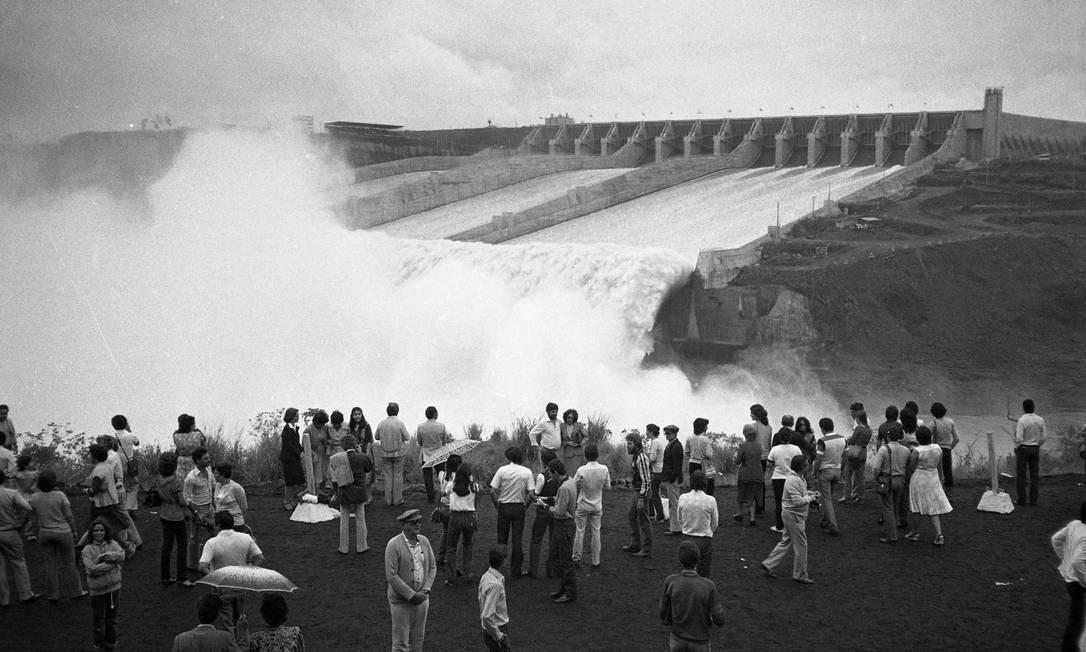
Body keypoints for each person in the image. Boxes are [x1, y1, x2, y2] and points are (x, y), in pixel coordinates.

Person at [199, 511, 264, 642]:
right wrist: (249, 570)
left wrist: (214, 579)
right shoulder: (245, 538)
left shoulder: (212, 543)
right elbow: (259, 557)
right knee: (241, 620)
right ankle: (243, 646)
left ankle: (230, 647)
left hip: (222, 588)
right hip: (240, 585)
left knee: (226, 624)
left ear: (218, 525)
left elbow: (202, 566)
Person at [29, 469, 86, 602]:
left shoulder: (35, 497)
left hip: (45, 532)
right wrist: (74, 530)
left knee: (50, 564)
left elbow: (32, 513)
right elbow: (69, 516)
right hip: (63, 532)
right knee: (70, 562)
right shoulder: (60, 496)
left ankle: (53, 595)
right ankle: (77, 591)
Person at [385, 509, 437, 652]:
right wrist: (412, 595)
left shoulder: (424, 541)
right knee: (400, 644)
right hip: (401, 603)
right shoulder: (393, 545)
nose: (418, 524)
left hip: (422, 601)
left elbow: (433, 567)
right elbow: (392, 576)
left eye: (419, 521)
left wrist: (425, 590)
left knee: (418, 641)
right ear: (403, 525)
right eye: (413, 522)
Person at [761, 455, 817, 584]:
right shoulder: (794, 480)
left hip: (790, 515)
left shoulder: (797, 478)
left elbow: (799, 495)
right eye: (807, 463)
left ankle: (769, 564)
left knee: (786, 541)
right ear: (802, 467)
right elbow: (797, 501)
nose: (809, 465)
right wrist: (810, 498)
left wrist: (809, 494)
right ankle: (800, 574)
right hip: (795, 516)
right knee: (801, 546)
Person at [659, 540, 725, 651]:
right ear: (698, 559)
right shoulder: (709, 586)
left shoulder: (670, 581)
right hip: (700, 642)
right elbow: (719, 619)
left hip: (677, 638)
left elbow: (663, 612)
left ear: (680, 560)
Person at [489, 446, 534, 578]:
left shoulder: (502, 470)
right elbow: (531, 494)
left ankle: (499, 568)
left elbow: (492, 491)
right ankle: (516, 570)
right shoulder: (527, 472)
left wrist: (497, 506)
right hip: (519, 507)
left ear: (509, 457)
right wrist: (525, 506)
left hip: (504, 507)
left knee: (502, 539)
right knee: (517, 539)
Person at [83, 443, 135, 554]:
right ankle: (126, 547)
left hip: (103, 504)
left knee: (101, 527)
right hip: (111, 501)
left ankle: (126, 548)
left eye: (90, 455)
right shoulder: (108, 466)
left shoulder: (98, 470)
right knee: (109, 527)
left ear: (94, 456)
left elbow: (95, 490)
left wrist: (86, 490)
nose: (89, 457)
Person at [83, 518, 125, 651]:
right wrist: (112, 564)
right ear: (92, 532)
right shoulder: (87, 550)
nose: (99, 533)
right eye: (96, 530)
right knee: (98, 620)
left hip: (113, 589)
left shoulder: (113, 544)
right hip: (97, 591)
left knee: (112, 619)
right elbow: (91, 570)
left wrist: (102, 557)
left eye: (101, 530)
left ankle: (111, 643)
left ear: (106, 531)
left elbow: (122, 556)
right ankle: (99, 644)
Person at [905, 426, 951, 546]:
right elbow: (940, 466)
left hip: (919, 478)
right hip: (933, 477)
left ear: (918, 438)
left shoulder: (917, 451)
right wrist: (941, 478)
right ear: (930, 436)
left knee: (916, 506)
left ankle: (914, 532)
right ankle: (939, 534)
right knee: (933, 507)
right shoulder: (937, 448)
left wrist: (907, 480)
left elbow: (911, 467)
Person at [330, 434, 373, 555]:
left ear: (343, 446)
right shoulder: (363, 457)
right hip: (360, 491)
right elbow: (368, 469)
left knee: (344, 519)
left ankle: (343, 547)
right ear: (356, 444)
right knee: (360, 517)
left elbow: (334, 477)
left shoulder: (336, 458)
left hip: (344, 491)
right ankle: (362, 546)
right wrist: (360, 452)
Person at [1052, 502, 1086, 652]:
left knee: (1075, 617)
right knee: (1077, 620)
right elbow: (1077, 561)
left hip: (1071, 579)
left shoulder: (1074, 525)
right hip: (1079, 582)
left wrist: (1064, 559)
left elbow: (1056, 539)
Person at [543, 459, 577, 603]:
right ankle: (564, 588)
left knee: (565, 560)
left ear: (556, 472)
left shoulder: (563, 488)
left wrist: (545, 506)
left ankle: (570, 593)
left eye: (551, 473)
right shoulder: (570, 481)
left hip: (564, 525)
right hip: (566, 525)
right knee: (558, 557)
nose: (550, 477)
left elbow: (559, 512)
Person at [0, 478, 38, 605]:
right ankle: (26, 594)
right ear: (3, 479)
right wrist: (21, 521)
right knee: (19, 562)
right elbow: (28, 507)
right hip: (9, 531)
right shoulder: (11, 493)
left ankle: (3, 599)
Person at [572, 442, 610, 570]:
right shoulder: (604, 469)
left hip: (583, 504)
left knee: (579, 532)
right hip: (597, 505)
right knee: (596, 533)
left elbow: (573, 485)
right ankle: (596, 561)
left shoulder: (581, 470)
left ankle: (576, 558)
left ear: (586, 455)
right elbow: (608, 486)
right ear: (597, 455)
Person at [872, 427, 911, 544]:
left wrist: (876, 478)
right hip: (901, 480)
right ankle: (887, 529)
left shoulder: (884, 449)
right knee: (895, 506)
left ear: (888, 437)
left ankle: (892, 536)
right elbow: (908, 467)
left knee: (887, 508)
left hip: (887, 480)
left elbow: (876, 468)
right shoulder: (906, 450)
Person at [154, 452, 189, 585]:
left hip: (164, 513)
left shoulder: (159, 479)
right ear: (174, 465)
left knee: (167, 545)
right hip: (177, 516)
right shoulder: (176, 481)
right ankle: (182, 577)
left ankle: (165, 576)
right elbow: (182, 501)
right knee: (182, 546)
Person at [183, 447, 216, 580]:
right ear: (197, 461)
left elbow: (213, 485)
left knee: (213, 533)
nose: (209, 460)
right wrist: (196, 513)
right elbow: (186, 498)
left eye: (208, 457)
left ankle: (210, 561)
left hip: (209, 507)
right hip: (198, 509)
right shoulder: (191, 478)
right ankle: (192, 565)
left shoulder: (209, 470)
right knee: (194, 537)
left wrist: (214, 504)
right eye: (205, 458)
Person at [677, 471, 718, 578]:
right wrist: (707, 532)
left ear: (691, 482)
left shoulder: (682, 498)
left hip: (687, 538)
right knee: (704, 574)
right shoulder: (711, 500)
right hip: (704, 540)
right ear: (705, 483)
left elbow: (679, 519)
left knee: (686, 572)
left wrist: (686, 529)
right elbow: (715, 523)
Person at [444, 462, 478, 586]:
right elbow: (476, 496)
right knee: (468, 545)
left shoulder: (451, 485)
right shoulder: (474, 486)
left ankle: (451, 578)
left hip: (455, 517)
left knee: (451, 547)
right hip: (469, 517)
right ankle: (468, 574)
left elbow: (445, 492)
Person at [172, 592, 241, 651]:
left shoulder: (180, 640)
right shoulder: (225, 638)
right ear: (218, 615)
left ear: (197, 612)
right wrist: (242, 632)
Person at [528, 449, 559, 579]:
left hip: (543, 510)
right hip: (555, 510)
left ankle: (533, 571)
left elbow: (536, 493)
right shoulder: (559, 476)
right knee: (553, 540)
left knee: (536, 540)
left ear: (544, 461)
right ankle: (552, 570)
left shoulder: (542, 476)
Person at [622, 433, 653, 558]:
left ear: (636, 444)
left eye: (630, 443)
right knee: (632, 516)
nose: (627, 446)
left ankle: (646, 549)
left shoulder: (642, 458)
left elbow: (647, 480)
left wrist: (642, 498)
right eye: (627, 443)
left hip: (642, 492)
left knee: (644, 520)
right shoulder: (636, 457)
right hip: (638, 490)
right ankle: (635, 544)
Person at [375, 403, 411, 507]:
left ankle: (388, 500)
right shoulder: (399, 423)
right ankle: (397, 500)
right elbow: (407, 437)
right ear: (397, 411)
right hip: (398, 452)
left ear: (387, 411)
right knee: (398, 476)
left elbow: (376, 437)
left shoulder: (381, 423)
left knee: (387, 476)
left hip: (385, 453)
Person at [814, 417, 845, 536]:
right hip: (837, 471)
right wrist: (842, 469)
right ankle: (824, 520)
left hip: (825, 472)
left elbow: (818, 459)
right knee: (829, 497)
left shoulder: (822, 441)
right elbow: (846, 455)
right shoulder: (842, 438)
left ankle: (833, 525)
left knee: (826, 499)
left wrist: (814, 471)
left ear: (822, 428)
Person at [416, 406, 452, 505]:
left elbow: (419, 441)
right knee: (442, 476)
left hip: (426, 454)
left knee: (428, 477)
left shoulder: (421, 426)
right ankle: (443, 495)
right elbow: (444, 441)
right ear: (435, 414)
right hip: (439, 453)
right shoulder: (441, 426)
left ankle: (430, 499)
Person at [766, 435, 801, 534]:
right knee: (794, 501)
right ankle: (794, 524)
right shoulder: (796, 448)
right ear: (790, 438)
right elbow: (801, 462)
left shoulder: (775, 449)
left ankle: (779, 526)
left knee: (779, 502)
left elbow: (769, 464)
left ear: (780, 438)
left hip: (778, 478)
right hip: (793, 478)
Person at [1014, 398, 1046, 506]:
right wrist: (1037, 445)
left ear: (1024, 408)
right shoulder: (1040, 420)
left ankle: (1021, 500)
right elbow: (1044, 437)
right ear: (1034, 407)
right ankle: (1033, 501)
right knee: (1034, 476)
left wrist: (1017, 445)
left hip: (1023, 449)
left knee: (1021, 476)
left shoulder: (1022, 420)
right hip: (1035, 449)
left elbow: (1018, 438)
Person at [478, 548, 511, 651]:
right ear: (502, 563)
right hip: (497, 628)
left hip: (489, 628)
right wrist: (498, 635)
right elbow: (487, 615)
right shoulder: (496, 585)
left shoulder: (486, 576)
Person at [732, 424, 764, 526]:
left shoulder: (743, 445)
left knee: (741, 494)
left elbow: (738, 461)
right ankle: (752, 517)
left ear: (745, 433)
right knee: (753, 495)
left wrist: (735, 458)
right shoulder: (759, 445)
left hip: (745, 474)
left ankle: (739, 513)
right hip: (757, 473)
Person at [841, 408, 872, 505]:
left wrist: (847, 440)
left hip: (855, 451)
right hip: (863, 452)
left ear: (858, 419)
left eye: (856, 418)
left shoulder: (858, 428)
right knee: (860, 476)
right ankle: (860, 497)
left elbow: (852, 440)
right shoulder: (869, 430)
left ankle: (846, 496)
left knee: (848, 474)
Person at [929, 402, 960, 497]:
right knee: (948, 471)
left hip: (936, 450)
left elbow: (926, 436)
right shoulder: (951, 422)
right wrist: (950, 447)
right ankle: (949, 493)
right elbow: (957, 439)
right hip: (947, 450)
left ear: (933, 412)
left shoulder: (933, 423)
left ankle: (937, 492)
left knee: (936, 471)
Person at [112, 415, 140, 513]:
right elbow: (137, 443)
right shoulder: (130, 436)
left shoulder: (112, 437)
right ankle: (130, 508)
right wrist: (129, 430)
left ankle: (120, 508)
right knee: (133, 486)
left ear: (113, 425)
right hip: (129, 464)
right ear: (125, 424)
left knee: (120, 485)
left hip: (116, 464)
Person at [278, 408, 305, 511]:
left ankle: (293, 499)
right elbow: (289, 445)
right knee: (289, 481)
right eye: (295, 416)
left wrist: (301, 450)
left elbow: (297, 443)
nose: (297, 417)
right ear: (290, 416)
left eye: (298, 415)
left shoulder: (294, 428)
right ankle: (286, 501)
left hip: (295, 458)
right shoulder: (287, 429)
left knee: (296, 480)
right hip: (288, 459)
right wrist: (298, 453)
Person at [214, 463, 250, 535]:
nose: (214, 475)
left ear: (223, 475)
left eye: (215, 473)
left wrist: (242, 523)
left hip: (235, 525)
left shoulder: (236, 488)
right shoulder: (217, 486)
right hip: (221, 525)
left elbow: (244, 507)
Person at [661, 425, 684, 535]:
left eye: (669, 433)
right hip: (670, 478)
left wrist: (671, 478)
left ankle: (676, 528)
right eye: (666, 433)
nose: (667, 435)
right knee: (672, 502)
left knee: (674, 503)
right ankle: (674, 526)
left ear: (675, 434)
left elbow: (677, 466)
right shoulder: (671, 445)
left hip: (673, 478)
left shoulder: (676, 446)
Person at [684, 418, 716, 496]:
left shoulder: (689, 438)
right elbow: (709, 455)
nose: (707, 428)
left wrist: (693, 455)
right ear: (702, 427)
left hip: (692, 463)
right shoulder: (705, 439)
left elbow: (686, 452)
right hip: (702, 464)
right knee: (708, 485)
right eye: (706, 426)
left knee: (694, 485)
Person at [302, 410, 331, 493]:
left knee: (324, 473)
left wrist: (327, 443)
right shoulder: (308, 430)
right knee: (315, 474)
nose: (322, 426)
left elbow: (329, 438)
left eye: (323, 424)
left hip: (323, 453)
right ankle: (313, 491)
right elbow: (304, 446)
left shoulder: (325, 427)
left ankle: (322, 491)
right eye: (321, 424)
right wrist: (313, 454)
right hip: (313, 453)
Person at [174, 413, 207, 483]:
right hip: (195, 462)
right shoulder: (198, 434)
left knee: (182, 483)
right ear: (190, 426)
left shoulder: (176, 436)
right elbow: (204, 443)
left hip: (181, 463)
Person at [645, 423, 667, 522]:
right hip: (660, 470)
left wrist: (647, 456)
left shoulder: (654, 442)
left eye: (647, 431)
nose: (646, 433)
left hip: (656, 471)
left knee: (654, 494)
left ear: (651, 432)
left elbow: (652, 458)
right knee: (653, 492)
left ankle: (660, 515)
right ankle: (652, 514)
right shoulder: (660, 441)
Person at [559, 408, 588, 479]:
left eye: (572, 418)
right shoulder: (562, 426)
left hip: (578, 454)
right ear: (565, 417)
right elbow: (559, 439)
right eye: (568, 417)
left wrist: (579, 444)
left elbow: (586, 437)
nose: (570, 419)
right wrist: (565, 443)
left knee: (578, 474)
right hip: (567, 454)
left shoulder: (578, 426)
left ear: (574, 418)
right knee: (568, 474)